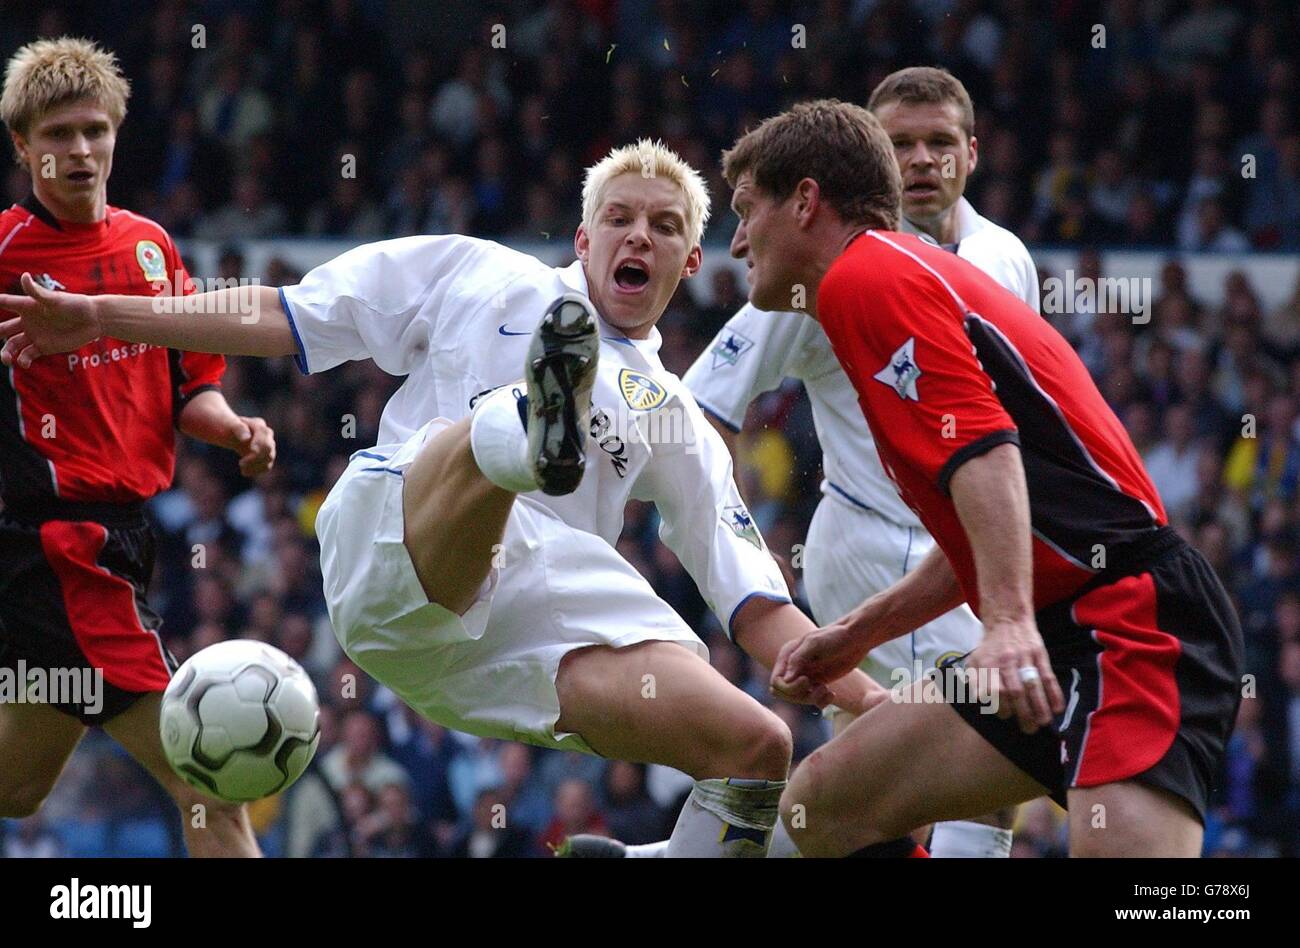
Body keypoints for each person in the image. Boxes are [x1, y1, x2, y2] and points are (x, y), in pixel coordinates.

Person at [0, 138, 881, 858]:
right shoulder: (480, 273)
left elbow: (755, 598)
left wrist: (881, 707)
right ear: (583, 239)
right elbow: (283, 314)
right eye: (618, 218)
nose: (637, 237)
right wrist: (105, 314)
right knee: (494, 437)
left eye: (662, 226)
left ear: (690, 258)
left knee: (755, 748)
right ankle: (527, 426)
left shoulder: (675, 417)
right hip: (396, 547)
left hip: (526, 634)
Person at [727, 99, 1242, 857]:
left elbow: (989, 452)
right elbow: (990, 501)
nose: (737, 239)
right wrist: (860, 632)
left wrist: (1003, 622)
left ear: (805, 201)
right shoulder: (876, 283)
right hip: (1063, 627)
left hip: (1130, 627)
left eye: (746, 210)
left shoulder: (868, 277)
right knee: (821, 810)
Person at [669, 67, 1035, 860]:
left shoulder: (1007, 258)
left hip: (969, 550)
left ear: (972, 154)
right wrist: (740, 542)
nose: (922, 160)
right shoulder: (822, 266)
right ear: (869, 157)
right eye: (900, 143)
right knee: (945, 777)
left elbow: (1014, 426)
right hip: (873, 550)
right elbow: (701, 410)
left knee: (909, 792)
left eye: (940, 143)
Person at [0, 38, 273, 856]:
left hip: (127, 536)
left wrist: (233, 429)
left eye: (92, 130)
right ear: (23, 147)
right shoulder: (6, 255)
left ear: (116, 133)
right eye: (56, 135)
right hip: (64, 550)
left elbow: (190, 385)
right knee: (209, 778)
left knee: (15, 786)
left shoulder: (150, 247)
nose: (78, 150)